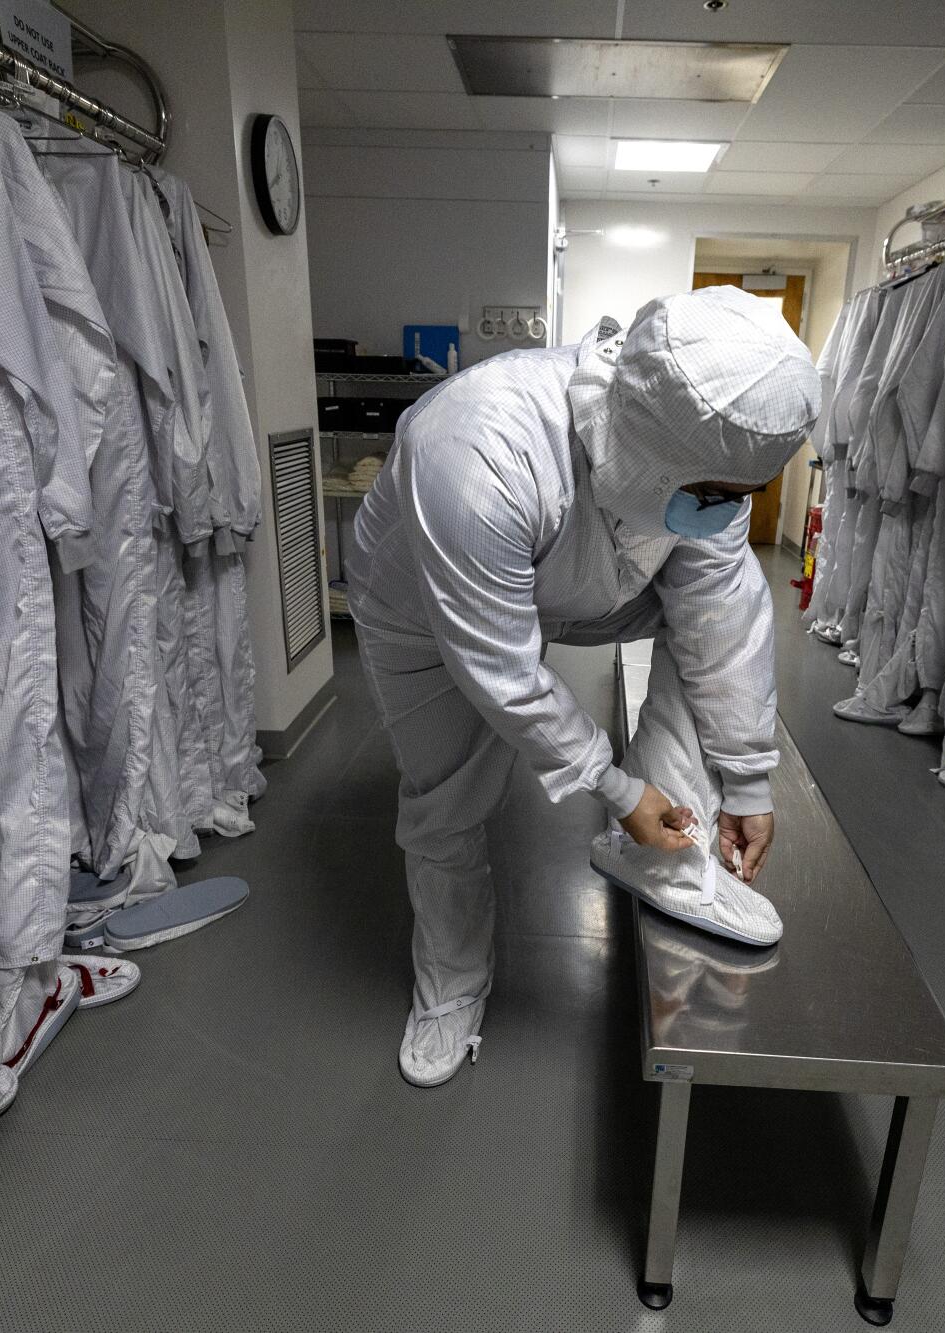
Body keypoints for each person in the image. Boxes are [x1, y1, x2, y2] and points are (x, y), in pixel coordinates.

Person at [348, 285, 821, 1087]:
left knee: (700, 607)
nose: (724, 513)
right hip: (425, 609)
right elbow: (501, 667)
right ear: (652, 449)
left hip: (588, 576)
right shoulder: (474, 452)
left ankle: (670, 855)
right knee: (447, 796)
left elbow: (718, 609)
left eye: (737, 499)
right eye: (712, 497)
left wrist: (745, 777)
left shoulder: (707, 451)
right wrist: (613, 786)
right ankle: (452, 985)